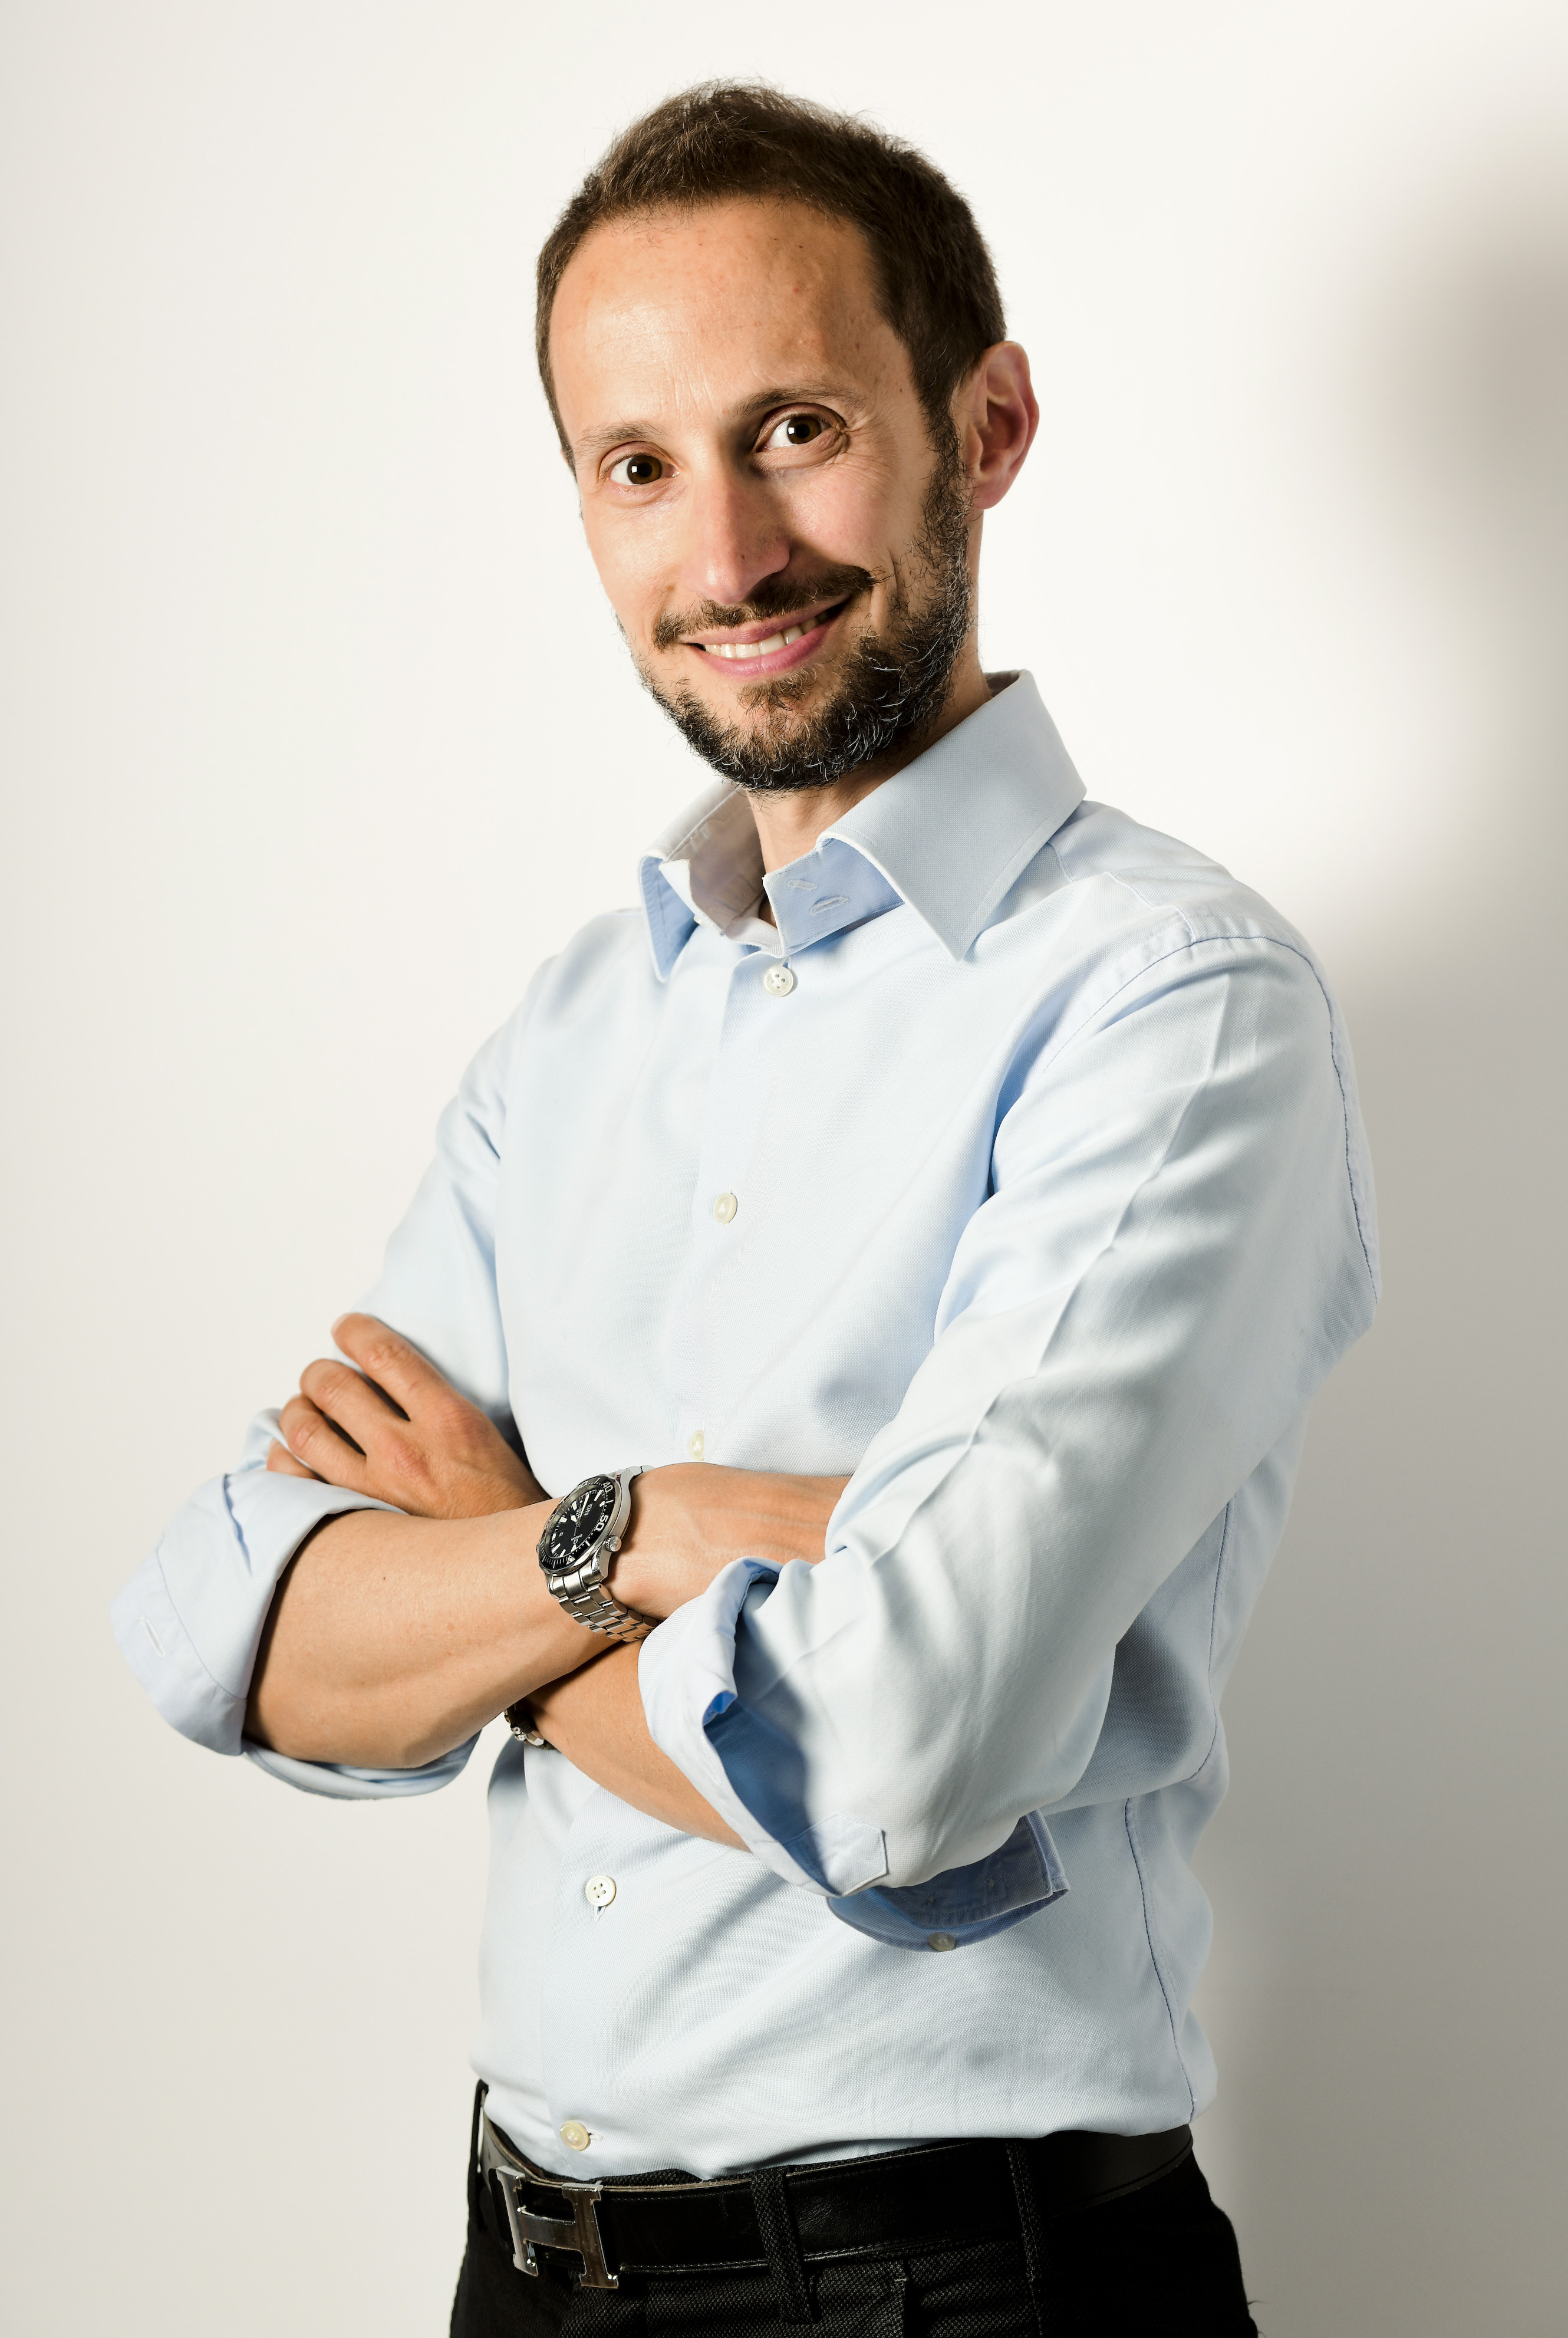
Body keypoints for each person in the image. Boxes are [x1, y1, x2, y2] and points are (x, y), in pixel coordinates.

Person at [112, 81, 1378, 2337]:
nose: (727, 555)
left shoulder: (1172, 1007)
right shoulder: (577, 1027)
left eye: (794, 427)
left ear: (982, 426)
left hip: (963, 2292)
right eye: (638, 465)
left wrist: (503, 1558)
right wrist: (676, 1532)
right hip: (523, 2272)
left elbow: (904, 1747)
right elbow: (250, 1633)